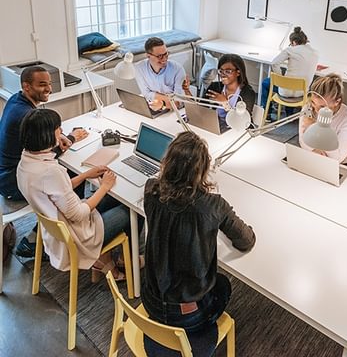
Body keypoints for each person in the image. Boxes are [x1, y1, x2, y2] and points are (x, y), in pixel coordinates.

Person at [141, 131, 256, 335]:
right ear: (202, 169)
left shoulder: (151, 190)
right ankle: (196, 335)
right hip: (187, 316)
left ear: (167, 162)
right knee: (223, 284)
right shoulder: (213, 206)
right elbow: (245, 241)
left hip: (151, 300)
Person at [17, 109, 132, 279]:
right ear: (47, 135)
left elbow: (56, 191)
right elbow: (78, 214)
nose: (61, 132)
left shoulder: (26, 161)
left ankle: (107, 258)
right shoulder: (50, 171)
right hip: (77, 237)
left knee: (112, 198)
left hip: (56, 229)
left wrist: (86, 175)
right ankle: (125, 261)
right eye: (58, 128)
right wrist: (104, 187)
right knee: (131, 210)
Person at [0, 65, 88, 257]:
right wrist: (72, 138)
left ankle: (51, 229)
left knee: (67, 176)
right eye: (42, 84)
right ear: (27, 86)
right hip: (13, 182)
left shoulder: (17, 100)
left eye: (49, 83)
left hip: (8, 172)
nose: (48, 88)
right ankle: (44, 237)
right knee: (70, 176)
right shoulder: (24, 115)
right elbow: (48, 154)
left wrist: (59, 134)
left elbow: (38, 144)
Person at [299, 73, 347, 166]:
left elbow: (337, 157)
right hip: (315, 155)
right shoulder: (308, 108)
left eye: (322, 106)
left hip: (345, 162)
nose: (316, 110)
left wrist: (311, 127)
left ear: (337, 102)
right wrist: (314, 150)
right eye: (313, 102)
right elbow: (302, 141)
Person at [261, 26, 319, 112]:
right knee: (292, 82)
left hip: (286, 92)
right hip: (303, 93)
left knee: (266, 83)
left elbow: (274, 63)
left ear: (294, 42)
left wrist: (280, 78)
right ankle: (289, 114)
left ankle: (267, 114)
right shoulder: (315, 53)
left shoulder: (290, 50)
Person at [135, 37, 186, 110]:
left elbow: (178, 102)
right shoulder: (139, 68)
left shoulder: (177, 69)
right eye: (160, 56)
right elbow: (146, 94)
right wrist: (168, 99)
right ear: (148, 56)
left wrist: (163, 104)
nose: (164, 59)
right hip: (154, 106)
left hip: (176, 111)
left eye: (166, 54)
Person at [204, 53, 255, 126]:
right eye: (221, 71)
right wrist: (187, 91)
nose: (223, 74)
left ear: (238, 72)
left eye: (228, 71)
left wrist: (225, 104)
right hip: (217, 126)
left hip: (237, 129)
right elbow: (200, 108)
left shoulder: (248, 93)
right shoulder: (214, 87)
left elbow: (242, 121)